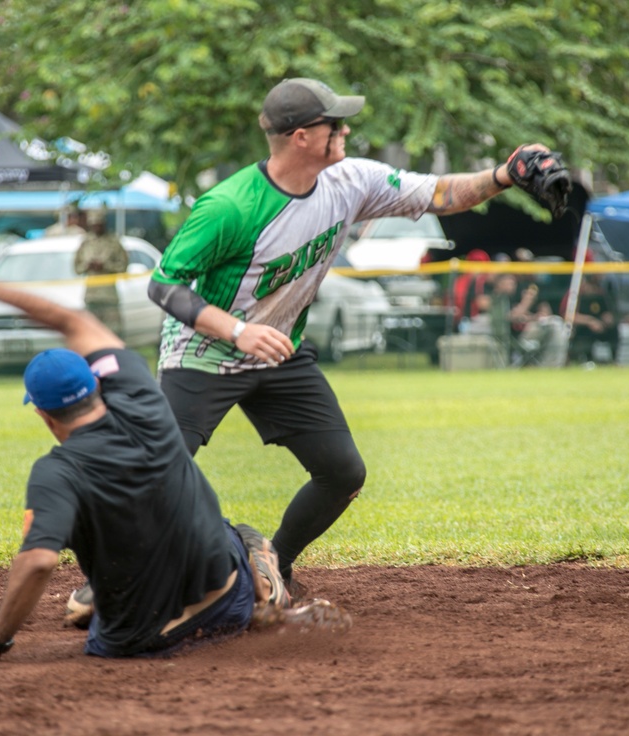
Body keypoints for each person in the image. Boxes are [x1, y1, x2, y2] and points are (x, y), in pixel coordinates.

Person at [146, 77, 564, 591]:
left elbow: (438, 193)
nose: (345, 129)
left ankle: (273, 563)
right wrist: (237, 331)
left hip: (278, 351)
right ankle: (109, 581)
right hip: (204, 353)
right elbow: (165, 285)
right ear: (301, 136)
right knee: (156, 474)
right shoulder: (229, 206)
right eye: (333, 123)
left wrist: (503, 173)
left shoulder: (352, 180)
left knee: (343, 474)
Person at [0, 256, 349, 661]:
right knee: (238, 532)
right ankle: (264, 590)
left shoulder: (56, 472)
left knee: (87, 599)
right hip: (227, 601)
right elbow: (71, 320)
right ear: (97, 384)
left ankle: (101, 597)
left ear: (43, 415)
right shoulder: (140, 393)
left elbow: (40, 561)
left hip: (138, 638)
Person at [74, 208, 129, 336]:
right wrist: (88, 266)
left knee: (113, 332)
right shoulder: (85, 243)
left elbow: (123, 267)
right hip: (91, 295)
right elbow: (77, 268)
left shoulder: (114, 243)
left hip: (108, 295)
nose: (96, 227)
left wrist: (106, 266)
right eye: (94, 224)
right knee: (90, 332)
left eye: (99, 224)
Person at [561, 274, 619, 363]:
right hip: (580, 328)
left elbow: (605, 311)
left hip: (599, 325)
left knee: (613, 330)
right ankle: (587, 359)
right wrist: (590, 321)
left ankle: (614, 359)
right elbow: (567, 316)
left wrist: (607, 317)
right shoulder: (573, 294)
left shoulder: (599, 293)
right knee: (586, 333)